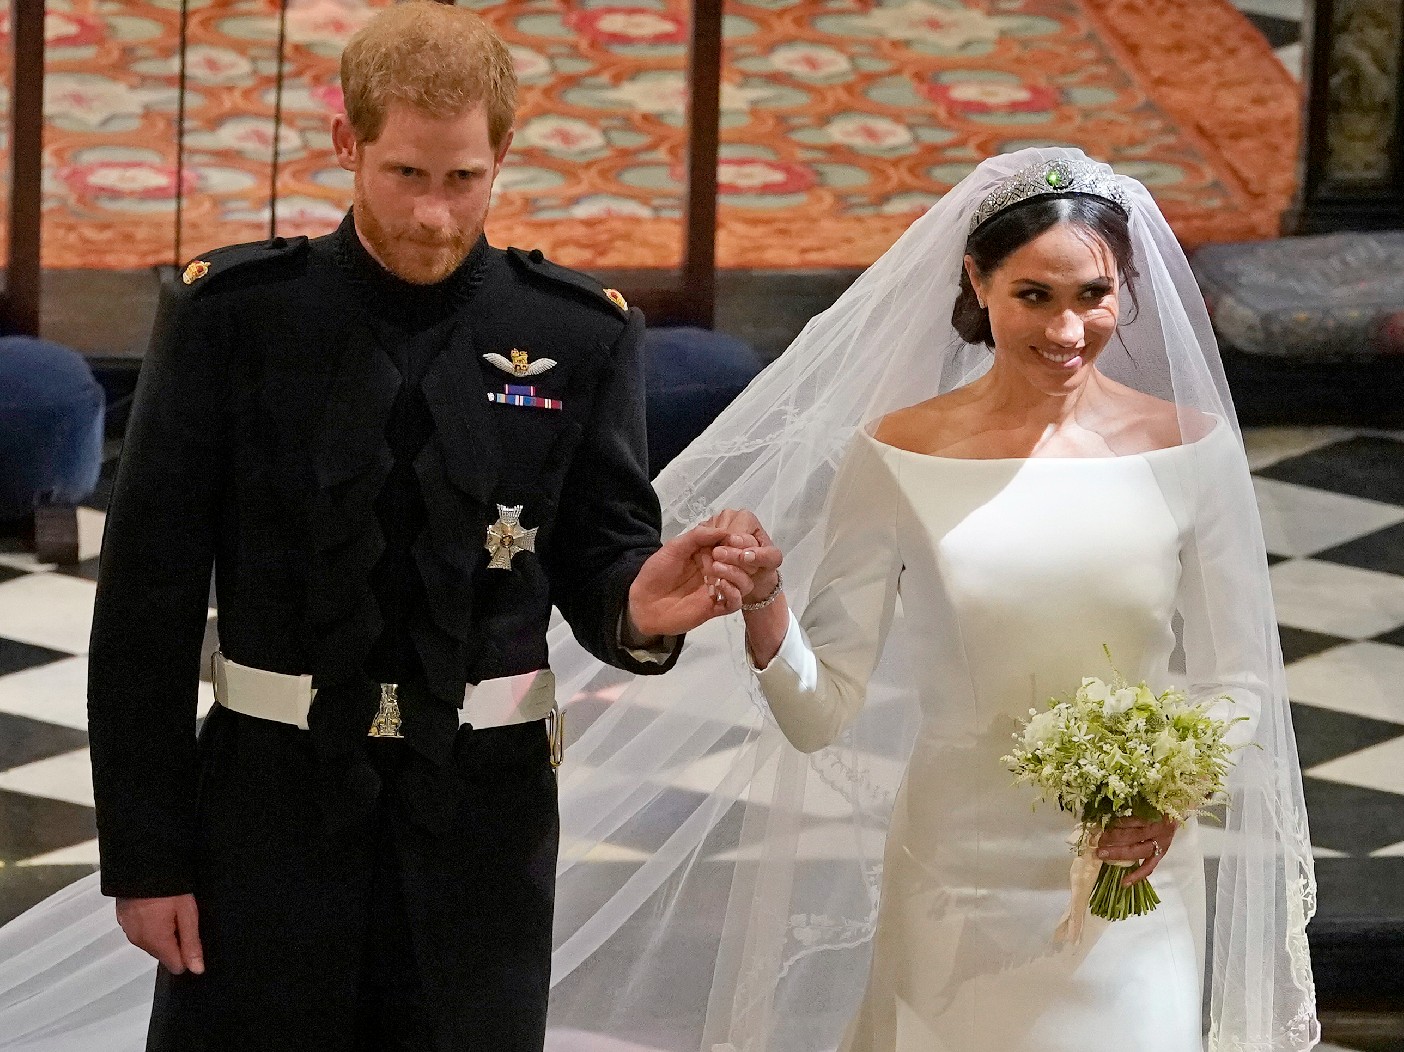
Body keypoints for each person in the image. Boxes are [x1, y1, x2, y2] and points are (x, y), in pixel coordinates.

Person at [0, 4, 752, 1051]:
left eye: (463, 180)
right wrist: (149, 855)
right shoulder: (234, 317)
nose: (436, 216)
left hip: (482, 831)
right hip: (266, 811)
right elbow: (147, 605)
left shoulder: (577, 334)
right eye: (406, 174)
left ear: (502, 157)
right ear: (347, 143)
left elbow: (600, 560)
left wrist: (637, 604)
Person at [539, 150, 1317, 1052]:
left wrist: (1171, 795)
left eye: (1093, 296)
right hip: (957, 883)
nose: (1068, 329)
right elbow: (821, 713)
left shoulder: (1192, 450)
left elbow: (1239, 680)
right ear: (977, 279)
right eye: (1035, 296)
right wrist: (765, 608)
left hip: (1132, 883)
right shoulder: (897, 454)